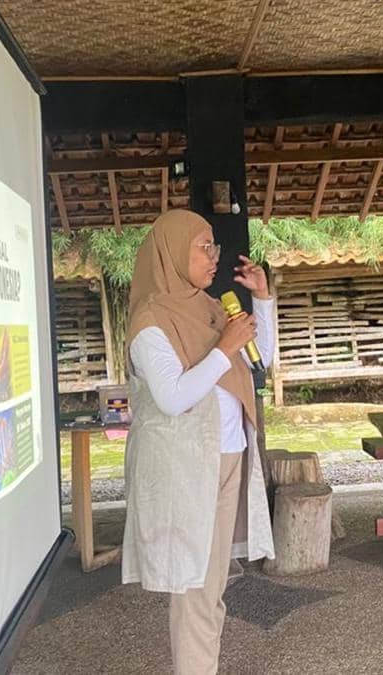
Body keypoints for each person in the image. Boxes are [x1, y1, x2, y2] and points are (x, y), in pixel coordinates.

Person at [120, 209, 275, 675]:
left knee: (211, 587)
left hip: (228, 456)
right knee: (193, 589)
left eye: (215, 247)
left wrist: (262, 301)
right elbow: (172, 397)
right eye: (202, 247)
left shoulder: (210, 307)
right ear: (171, 251)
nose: (214, 256)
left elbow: (256, 361)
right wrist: (223, 347)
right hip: (184, 467)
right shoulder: (150, 320)